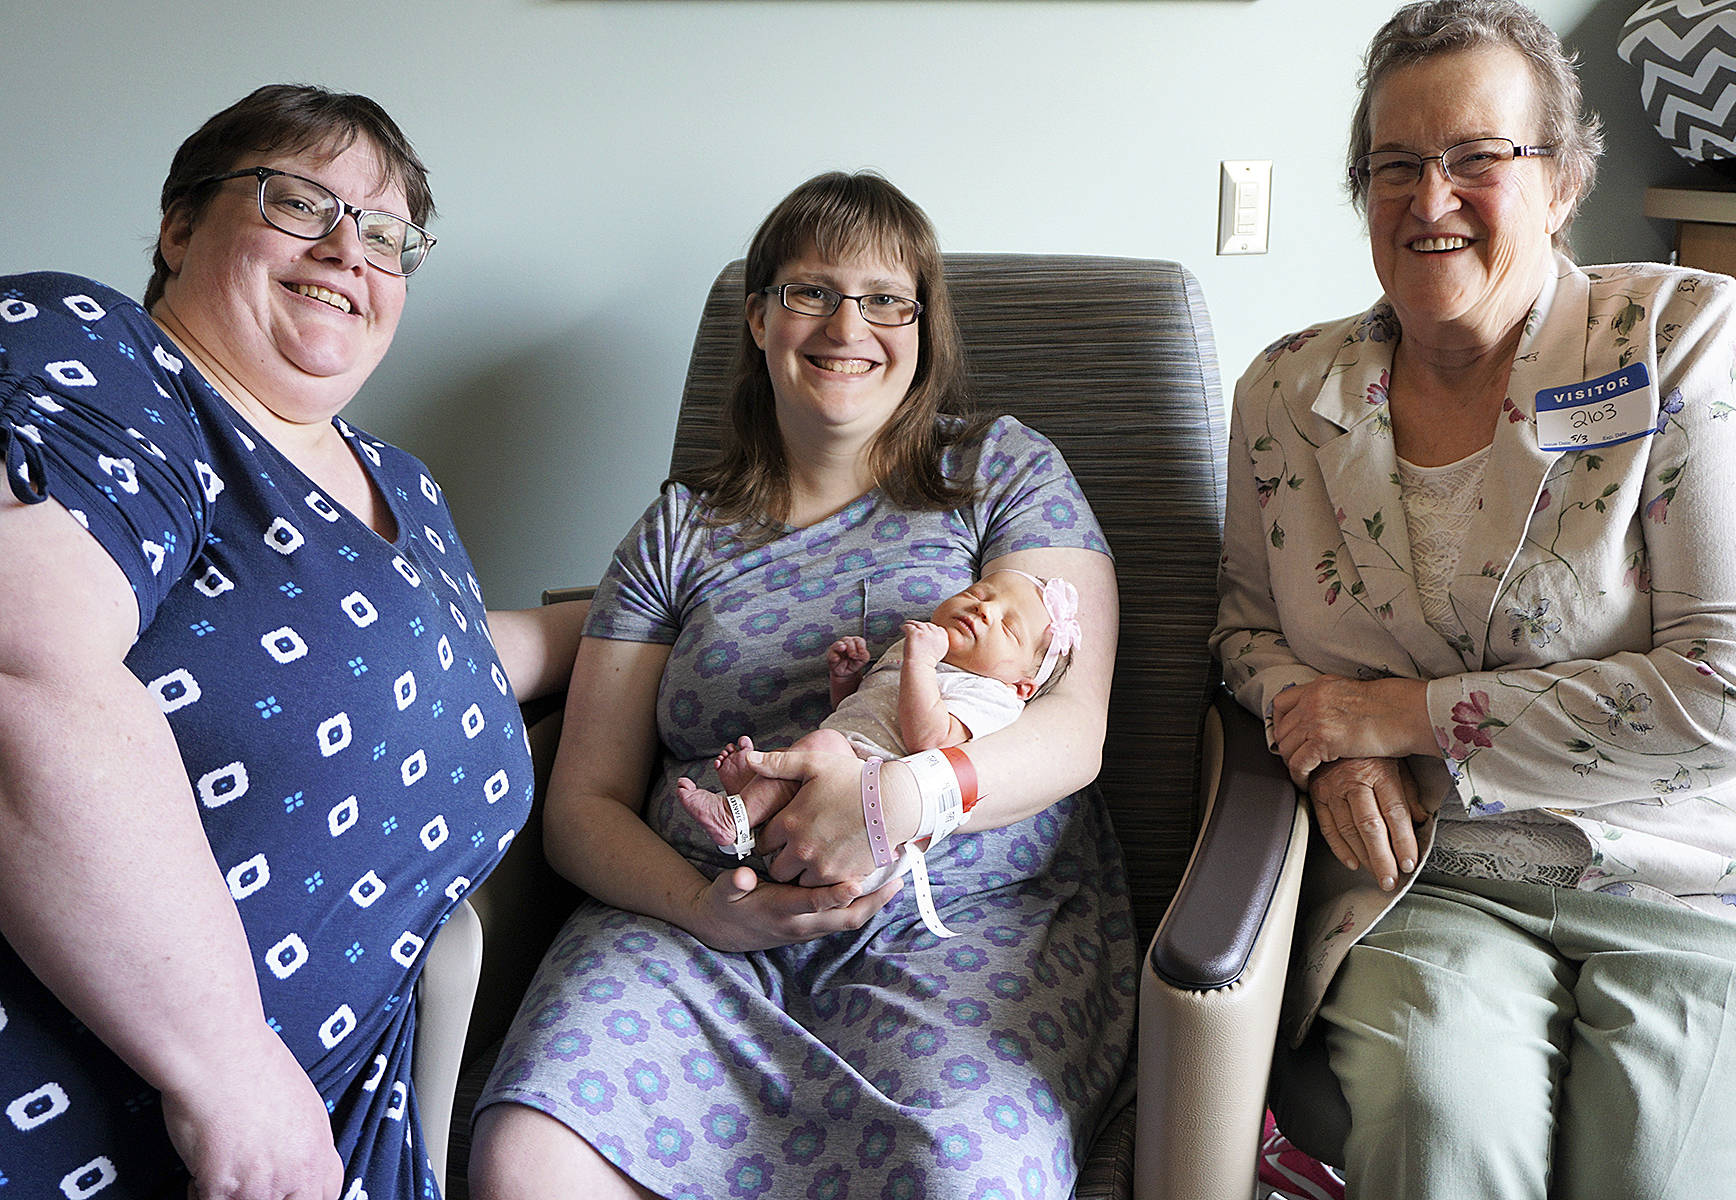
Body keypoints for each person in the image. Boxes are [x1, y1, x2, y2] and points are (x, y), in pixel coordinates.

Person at [1212, 2, 1736, 1196]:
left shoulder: (1675, 335)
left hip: (1697, 873)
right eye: (1395, 164)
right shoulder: (1285, 391)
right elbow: (1245, 629)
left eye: (1478, 156)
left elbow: (1735, 697)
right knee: (1441, 1135)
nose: (1429, 198)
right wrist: (1330, 748)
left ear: (1564, 179)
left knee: (1664, 1174)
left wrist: (1392, 715)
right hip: (1431, 878)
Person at [469, 170, 1132, 1200]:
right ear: (759, 318)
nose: (847, 326)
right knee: (527, 1158)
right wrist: (705, 909)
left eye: (885, 300)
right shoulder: (676, 532)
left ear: (923, 328)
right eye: (811, 292)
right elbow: (583, 804)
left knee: (965, 1171)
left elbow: (1074, 728)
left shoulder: (1001, 472)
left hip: (956, 925)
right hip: (697, 930)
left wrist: (906, 797)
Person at [0, 85, 584, 1199]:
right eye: (300, 201)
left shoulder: (404, 484)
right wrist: (229, 1077)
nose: (348, 250)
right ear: (179, 227)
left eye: (386, 235)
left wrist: (662, 608)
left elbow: (442, 668)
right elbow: (25, 667)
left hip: (336, 1132)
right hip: (110, 1112)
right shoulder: (103, 356)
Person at [676, 566, 1080, 881]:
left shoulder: (992, 695)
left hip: (866, 823)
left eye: (1008, 628)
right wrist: (846, 680)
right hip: (833, 775)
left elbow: (931, 741)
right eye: (977, 593)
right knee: (808, 749)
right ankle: (749, 812)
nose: (983, 609)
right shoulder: (914, 649)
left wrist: (920, 662)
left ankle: (735, 816)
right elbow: (860, 714)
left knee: (820, 745)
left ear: (1021, 686)